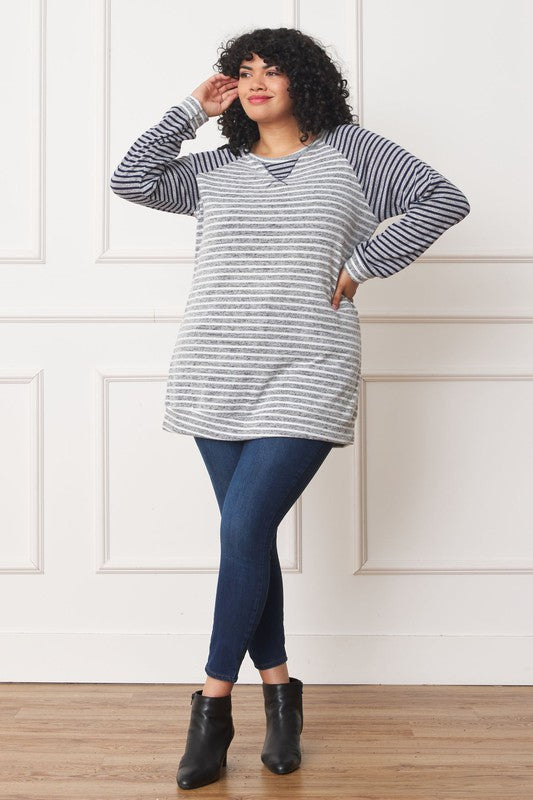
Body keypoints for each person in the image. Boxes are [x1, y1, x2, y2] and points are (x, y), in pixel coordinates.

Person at [110, 26, 470, 791]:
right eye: (242, 72)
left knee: (242, 528)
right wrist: (188, 108)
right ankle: (279, 696)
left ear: (303, 79)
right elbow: (132, 179)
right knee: (251, 536)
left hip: (307, 366)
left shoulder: (352, 150)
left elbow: (442, 198)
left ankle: (212, 705)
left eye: (271, 69)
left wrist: (365, 262)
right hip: (215, 370)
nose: (255, 81)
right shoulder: (216, 167)